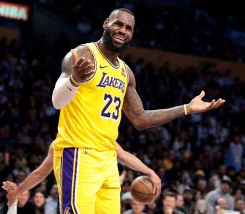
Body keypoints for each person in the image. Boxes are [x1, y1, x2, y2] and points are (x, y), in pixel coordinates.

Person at [51, 8, 225, 213]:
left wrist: (187, 108)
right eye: (118, 24)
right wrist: (75, 81)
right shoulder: (82, 54)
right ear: (106, 23)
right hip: (78, 153)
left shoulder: (126, 73)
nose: (123, 30)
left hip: (108, 159)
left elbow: (141, 119)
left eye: (128, 28)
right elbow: (56, 101)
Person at [2, 142, 160, 211]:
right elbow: (40, 173)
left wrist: (148, 171)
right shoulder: (60, 144)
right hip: (78, 201)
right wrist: (19, 189)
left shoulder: (101, 136)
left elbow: (123, 155)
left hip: (103, 203)